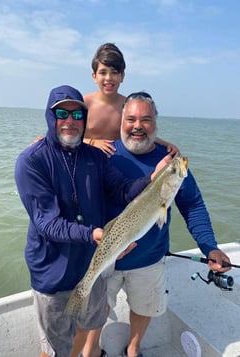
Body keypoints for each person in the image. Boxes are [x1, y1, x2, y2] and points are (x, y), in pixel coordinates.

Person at [14, 85, 169, 357]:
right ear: (51, 117)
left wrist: (151, 180)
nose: (70, 121)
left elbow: (122, 190)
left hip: (92, 266)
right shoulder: (31, 161)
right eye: (62, 113)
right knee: (53, 347)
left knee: (86, 327)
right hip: (53, 269)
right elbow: (47, 223)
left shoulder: (96, 157)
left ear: (85, 119)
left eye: (77, 115)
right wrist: (93, 235)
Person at [82, 92, 231, 357]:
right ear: (121, 122)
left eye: (146, 119)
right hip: (105, 254)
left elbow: (192, 204)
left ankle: (133, 349)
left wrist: (210, 247)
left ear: (156, 124)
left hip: (150, 258)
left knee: (144, 307)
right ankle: (91, 352)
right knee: (98, 310)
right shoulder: (103, 156)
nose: (138, 125)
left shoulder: (172, 163)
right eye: (131, 119)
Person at [83, 43, 179, 157]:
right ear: (94, 76)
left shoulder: (128, 107)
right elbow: (69, 134)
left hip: (116, 162)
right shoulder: (84, 104)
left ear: (122, 76)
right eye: (103, 72)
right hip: (88, 159)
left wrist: (167, 144)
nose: (108, 78)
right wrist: (92, 142)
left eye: (114, 72)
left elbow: (141, 132)